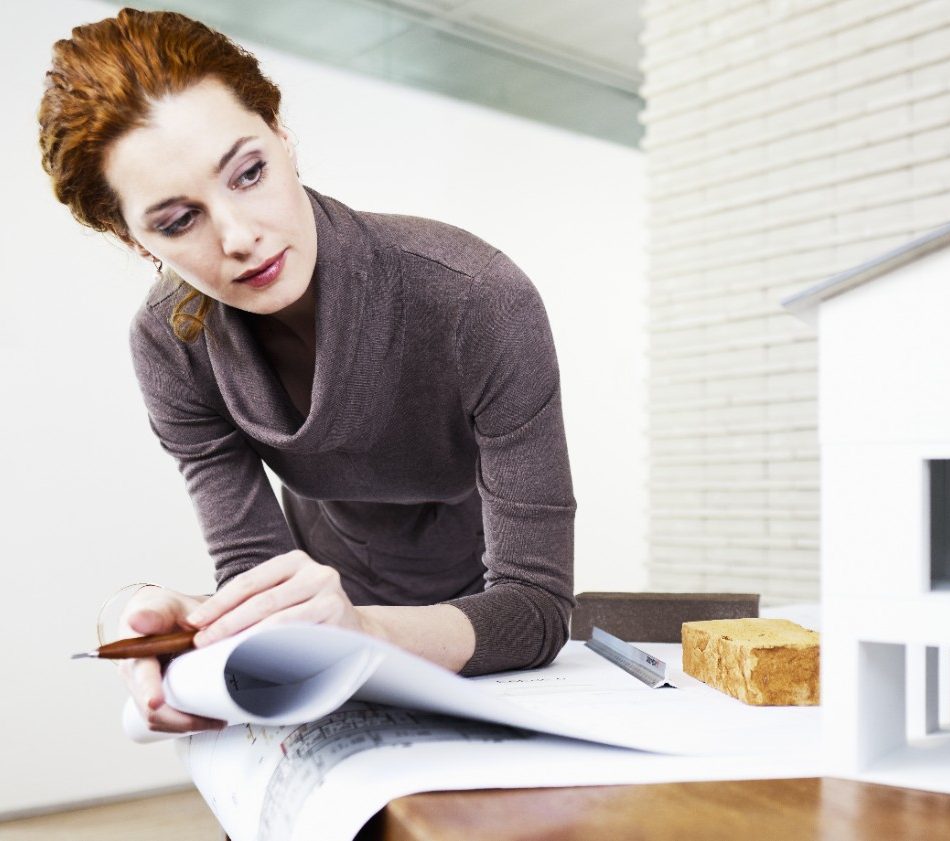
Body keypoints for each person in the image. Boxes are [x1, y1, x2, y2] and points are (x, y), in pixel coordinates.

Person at [38, 7, 576, 734]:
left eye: (249, 173)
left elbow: (536, 608)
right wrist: (195, 624)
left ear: (282, 135)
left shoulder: (475, 297)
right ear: (130, 237)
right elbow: (255, 572)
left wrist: (363, 630)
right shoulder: (171, 344)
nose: (240, 237)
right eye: (178, 221)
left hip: (476, 617)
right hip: (320, 607)